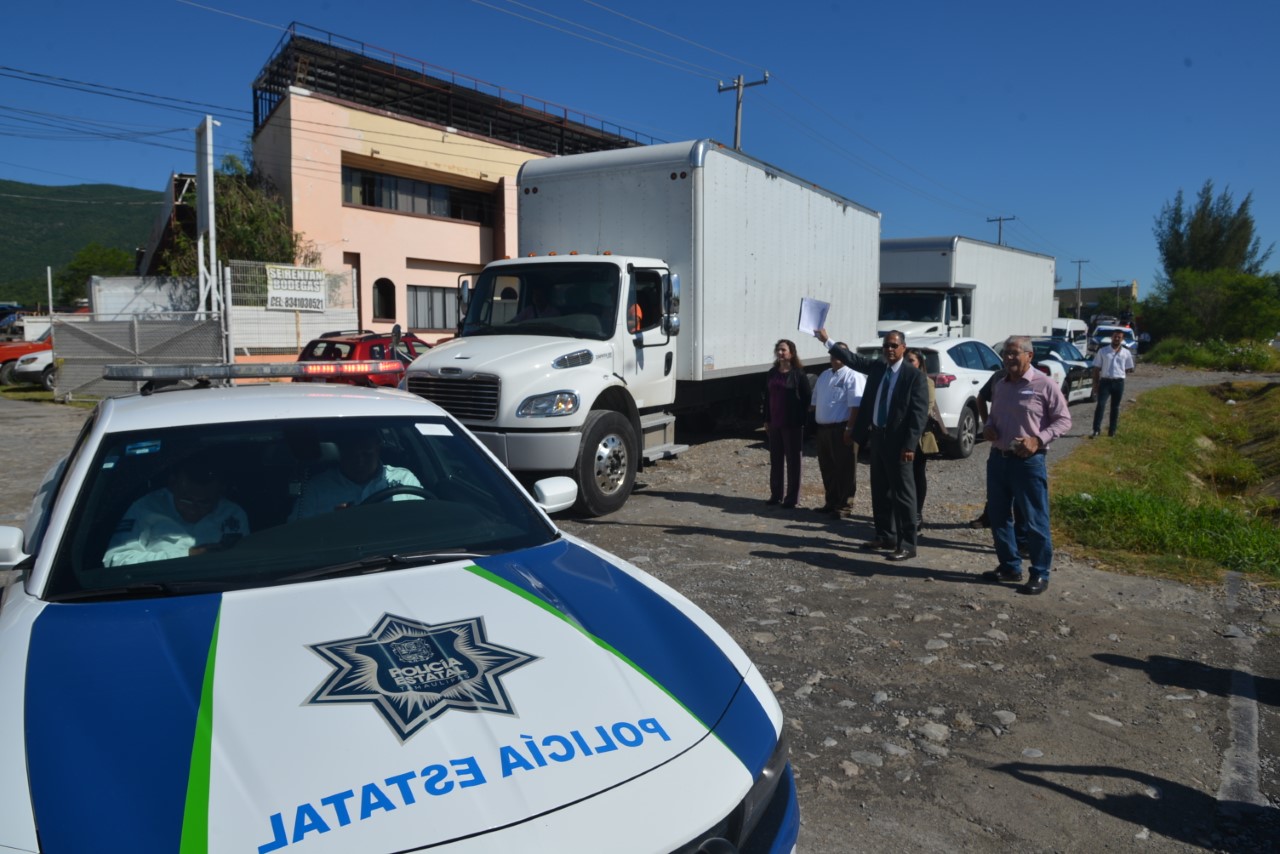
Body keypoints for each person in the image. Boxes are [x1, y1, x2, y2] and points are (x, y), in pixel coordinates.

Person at [816, 328, 929, 562]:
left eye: (894, 346)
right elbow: (852, 359)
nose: (889, 349)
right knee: (880, 489)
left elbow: (919, 415)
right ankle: (885, 535)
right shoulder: (878, 368)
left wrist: (909, 445)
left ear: (903, 348)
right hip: (878, 437)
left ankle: (907, 544)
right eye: (886, 345)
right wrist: (827, 340)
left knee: (903, 494)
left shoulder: (913, 376)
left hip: (899, 442)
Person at [981, 336, 1072, 595]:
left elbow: (1064, 420)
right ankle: (1009, 566)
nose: (1008, 358)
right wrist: (988, 427)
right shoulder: (1000, 384)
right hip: (998, 460)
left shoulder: (1044, 385)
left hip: (1028, 463)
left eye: (1013, 353)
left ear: (1029, 356)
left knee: (1034, 520)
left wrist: (1038, 439)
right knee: (998, 517)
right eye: (1005, 354)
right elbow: (995, 417)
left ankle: (1040, 573)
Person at [103, 455, 249, 566]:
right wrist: (186, 555)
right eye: (186, 500)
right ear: (173, 486)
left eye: (205, 503)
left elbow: (243, 561)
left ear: (220, 493)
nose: (194, 509)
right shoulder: (146, 508)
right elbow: (115, 560)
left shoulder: (232, 514)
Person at [290, 428, 424, 520]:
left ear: (378, 448)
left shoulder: (403, 480)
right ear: (341, 452)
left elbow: (424, 521)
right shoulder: (317, 489)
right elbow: (297, 534)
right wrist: (332, 523)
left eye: (366, 454)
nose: (359, 461)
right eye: (351, 455)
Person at [809, 342, 866, 515]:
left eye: (841, 353)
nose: (836, 356)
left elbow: (856, 406)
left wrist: (850, 429)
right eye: (834, 353)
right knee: (827, 467)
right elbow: (814, 403)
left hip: (842, 428)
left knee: (845, 469)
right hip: (824, 430)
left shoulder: (853, 375)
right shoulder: (824, 375)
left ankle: (845, 504)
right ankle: (831, 501)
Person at [763, 339, 812, 509]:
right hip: (774, 422)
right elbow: (767, 397)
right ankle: (776, 494)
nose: (780, 352)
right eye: (778, 349)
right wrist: (766, 419)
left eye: (784, 350)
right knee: (775, 459)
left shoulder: (798, 374)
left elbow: (807, 398)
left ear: (791, 352)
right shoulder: (771, 373)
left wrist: (802, 420)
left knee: (793, 461)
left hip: (792, 423)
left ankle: (792, 498)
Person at [903, 348, 940, 533]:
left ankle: (917, 514)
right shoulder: (899, 379)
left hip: (917, 437)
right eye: (906, 360)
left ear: (919, 363)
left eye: (911, 360)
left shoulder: (926, 382)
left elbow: (925, 410)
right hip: (897, 436)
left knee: (917, 475)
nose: (908, 364)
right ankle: (903, 514)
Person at [1091, 328, 1135, 437]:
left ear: (1122, 339)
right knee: (1100, 405)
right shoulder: (1103, 351)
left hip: (1118, 383)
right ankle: (1096, 430)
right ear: (1111, 337)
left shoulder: (1126, 353)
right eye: (1115, 336)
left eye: (1119, 337)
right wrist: (1095, 385)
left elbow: (1129, 368)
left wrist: (1120, 374)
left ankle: (1112, 431)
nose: (1116, 339)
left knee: (1115, 407)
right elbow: (1096, 369)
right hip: (1105, 382)